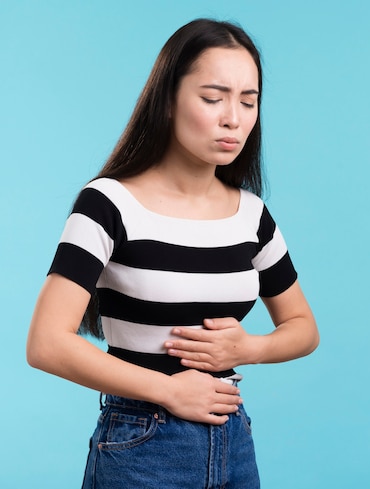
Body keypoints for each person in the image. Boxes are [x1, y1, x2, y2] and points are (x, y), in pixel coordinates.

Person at [26, 18, 319, 489]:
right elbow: (45, 343)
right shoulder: (107, 204)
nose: (234, 117)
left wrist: (252, 347)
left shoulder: (251, 214)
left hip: (234, 441)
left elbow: (304, 328)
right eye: (213, 97)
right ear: (167, 101)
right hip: (141, 443)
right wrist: (168, 390)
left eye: (249, 101)